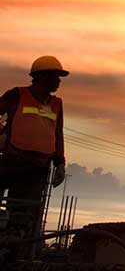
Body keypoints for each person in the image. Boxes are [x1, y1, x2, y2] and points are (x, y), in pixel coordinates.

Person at [0, 56, 68, 253]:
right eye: (56, 76)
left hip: (38, 167)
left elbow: (57, 133)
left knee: (24, 212)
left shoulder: (56, 104)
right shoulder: (17, 95)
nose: (59, 81)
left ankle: (11, 251)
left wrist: (60, 163)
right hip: (12, 160)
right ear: (42, 77)